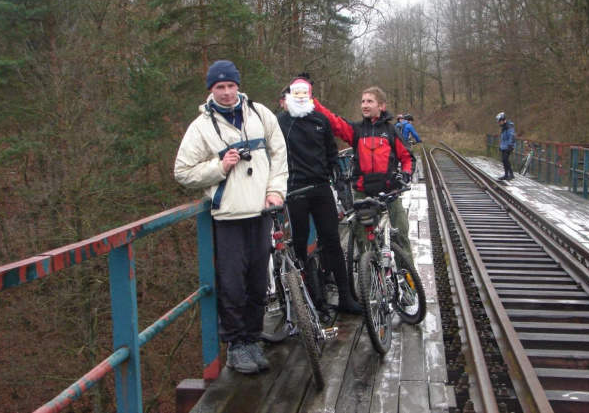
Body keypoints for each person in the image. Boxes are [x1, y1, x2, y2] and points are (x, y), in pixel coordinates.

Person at [174, 60, 288, 374]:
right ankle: (236, 345)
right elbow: (182, 172)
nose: (226, 92)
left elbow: (279, 155)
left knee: (258, 281)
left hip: (261, 211)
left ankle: (253, 339)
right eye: (219, 87)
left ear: (238, 85)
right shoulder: (200, 128)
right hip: (228, 217)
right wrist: (219, 167)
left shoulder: (261, 114)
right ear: (211, 90)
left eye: (230, 85)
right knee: (232, 285)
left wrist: (276, 191)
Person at [277, 77, 362, 315]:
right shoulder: (280, 123)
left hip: (321, 187)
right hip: (295, 190)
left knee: (332, 240)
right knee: (301, 244)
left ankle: (345, 296)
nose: (301, 96)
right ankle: (308, 296)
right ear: (290, 96)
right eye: (297, 93)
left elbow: (332, 151)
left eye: (305, 93)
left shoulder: (321, 120)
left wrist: (336, 169)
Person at [313, 86, 416, 264]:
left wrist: (406, 174)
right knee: (363, 240)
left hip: (390, 192)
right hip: (363, 192)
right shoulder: (357, 130)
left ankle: (408, 282)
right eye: (362, 101)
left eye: (370, 101)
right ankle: (369, 279)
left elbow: (407, 157)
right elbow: (333, 121)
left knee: (401, 236)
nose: (364, 105)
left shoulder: (391, 131)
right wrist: (310, 98)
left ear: (381, 106)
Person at [496, 112, 516, 181]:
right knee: (504, 160)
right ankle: (506, 175)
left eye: (499, 122)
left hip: (508, 146)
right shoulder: (504, 127)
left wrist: (510, 146)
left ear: (502, 120)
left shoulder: (509, 127)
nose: (499, 123)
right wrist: (501, 146)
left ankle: (511, 174)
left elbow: (511, 136)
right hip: (504, 146)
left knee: (505, 159)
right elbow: (503, 138)